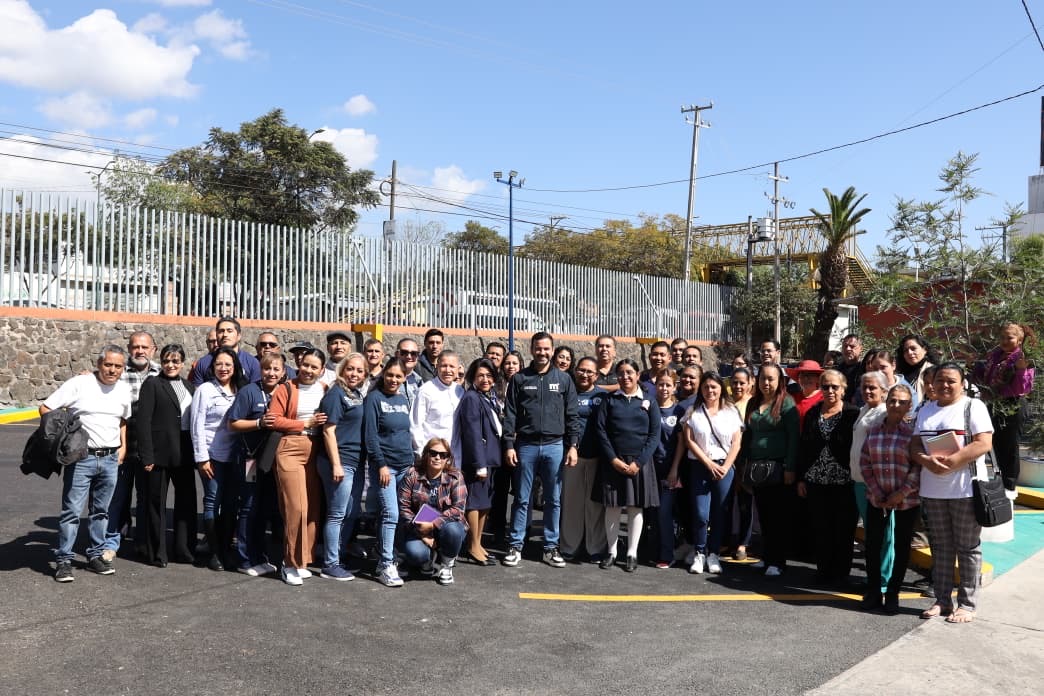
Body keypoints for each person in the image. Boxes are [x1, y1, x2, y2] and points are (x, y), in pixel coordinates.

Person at [42, 345, 134, 582]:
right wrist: (63, 436)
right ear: (98, 362)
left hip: (111, 459)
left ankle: (95, 556)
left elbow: (123, 420)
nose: (112, 370)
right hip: (82, 458)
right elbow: (46, 408)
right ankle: (63, 560)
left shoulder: (124, 390)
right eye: (108, 364)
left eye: (117, 366)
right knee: (72, 512)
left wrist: (123, 447)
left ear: (123, 368)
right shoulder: (79, 384)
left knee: (101, 512)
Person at [911, 363, 993, 623]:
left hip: (964, 490)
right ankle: (942, 600)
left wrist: (954, 460)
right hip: (932, 489)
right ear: (932, 383)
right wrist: (925, 460)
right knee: (941, 547)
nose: (945, 385)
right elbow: (914, 445)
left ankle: (967, 604)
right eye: (940, 380)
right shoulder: (925, 409)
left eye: (951, 381)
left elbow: (984, 442)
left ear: (962, 383)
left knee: (967, 548)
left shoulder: (972, 407)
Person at [501, 332, 581, 569]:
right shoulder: (519, 379)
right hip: (525, 445)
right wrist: (508, 445)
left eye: (546, 349)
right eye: (538, 348)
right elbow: (511, 414)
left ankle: (550, 547)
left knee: (553, 500)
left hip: (555, 445)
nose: (542, 353)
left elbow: (572, 415)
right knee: (522, 499)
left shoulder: (565, 380)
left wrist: (573, 446)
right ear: (531, 349)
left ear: (552, 350)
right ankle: (516, 545)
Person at [267, 347, 328, 586]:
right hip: (290, 447)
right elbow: (274, 419)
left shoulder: (324, 389)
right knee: (296, 508)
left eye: (314, 367)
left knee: (312, 508)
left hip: (315, 449)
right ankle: (288, 562)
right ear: (298, 364)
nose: (308, 370)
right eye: (305, 365)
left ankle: (303, 560)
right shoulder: (286, 388)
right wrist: (305, 422)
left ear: (322, 370)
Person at [672, 372, 742, 575]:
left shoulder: (731, 412)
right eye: (706, 387)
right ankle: (699, 552)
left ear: (721, 388)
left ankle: (713, 555)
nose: (710, 391)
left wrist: (726, 466)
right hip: (699, 467)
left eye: (714, 387)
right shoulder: (693, 411)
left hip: (724, 468)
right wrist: (708, 463)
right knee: (701, 514)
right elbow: (689, 441)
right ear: (701, 390)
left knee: (719, 514)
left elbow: (737, 442)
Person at [594, 358, 660, 572]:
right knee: (612, 507)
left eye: (629, 372)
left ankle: (632, 553)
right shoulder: (610, 400)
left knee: (635, 507)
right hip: (613, 461)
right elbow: (601, 431)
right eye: (621, 373)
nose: (625, 377)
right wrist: (613, 459)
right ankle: (612, 552)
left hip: (640, 462)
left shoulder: (649, 400)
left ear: (638, 375)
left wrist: (639, 462)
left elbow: (654, 434)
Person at [860, 384, 920, 614]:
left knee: (902, 546)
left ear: (909, 406)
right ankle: (874, 590)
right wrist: (876, 490)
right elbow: (865, 462)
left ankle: (893, 592)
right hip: (877, 498)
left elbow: (917, 468)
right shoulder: (873, 430)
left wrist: (900, 493)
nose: (896, 405)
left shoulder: (913, 434)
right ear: (886, 402)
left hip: (906, 500)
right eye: (892, 400)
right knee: (873, 545)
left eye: (902, 402)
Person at [796, 369, 860, 587]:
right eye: (825, 386)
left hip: (844, 481)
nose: (830, 390)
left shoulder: (853, 413)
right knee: (821, 529)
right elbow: (804, 446)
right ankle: (823, 571)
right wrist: (802, 478)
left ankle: (841, 574)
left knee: (843, 530)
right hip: (816, 480)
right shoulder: (814, 412)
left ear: (843, 389)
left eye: (835, 387)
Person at [136, 344, 197, 567]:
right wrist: (147, 456)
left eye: (175, 361)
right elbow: (143, 422)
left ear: (182, 363)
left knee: (186, 505)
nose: (171, 365)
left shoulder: (190, 386)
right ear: (161, 362)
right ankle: (157, 552)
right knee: (155, 505)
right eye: (166, 361)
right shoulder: (152, 384)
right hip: (158, 457)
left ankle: (184, 550)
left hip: (184, 455)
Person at [226, 352, 286, 577]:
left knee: (266, 508)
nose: (271, 373)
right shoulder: (249, 391)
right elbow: (233, 424)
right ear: (260, 370)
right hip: (250, 458)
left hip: (272, 459)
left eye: (276, 369)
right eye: (267, 369)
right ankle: (244, 558)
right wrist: (259, 422)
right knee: (249, 506)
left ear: (282, 372)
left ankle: (260, 556)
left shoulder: (284, 391)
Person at [102, 330, 159, 562]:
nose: (140, 351)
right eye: (136, 347)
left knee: (146, 497)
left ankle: (142, 542)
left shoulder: (161, 372)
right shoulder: (118, 373)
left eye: (145, 347)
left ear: (153, 349)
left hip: (149, 445)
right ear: (129, 348)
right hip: (122, 441)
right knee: (116, 495)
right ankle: (110, 543)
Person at [740, 363, 798, 577]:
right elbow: (748, 436)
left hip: (778, 468)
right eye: (763, 378)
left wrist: (790, 467)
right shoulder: (753, 403)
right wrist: (743, 463)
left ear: (780, 381)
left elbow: (793, 438)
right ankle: (766, 557)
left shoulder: (787, 403)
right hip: (757, 468)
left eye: (771, 378)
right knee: (763, 515)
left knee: (777, 517)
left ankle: (778, 561)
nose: (767, 383)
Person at [314, 353, 368, 581]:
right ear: (342, 369)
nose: (354, 374)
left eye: (359, 371)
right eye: (350, 369)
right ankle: (330, 563)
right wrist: (336, 464)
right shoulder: (336, 394)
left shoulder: (355, 394)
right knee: (336, 514)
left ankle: (338, 555)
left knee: (350, 512)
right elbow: (328, 430)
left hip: (355, 462)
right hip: (339, 461)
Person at [190, 346, 243, 571]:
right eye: (219, 364)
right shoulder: (204, 389)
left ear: (234, 367)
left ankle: (225, 547)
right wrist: (202, 458)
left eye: (228, 365)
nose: (223, 368)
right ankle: (214, 552)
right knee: (212, 501)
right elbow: (197, 425)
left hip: (236, 456)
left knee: (231, 504)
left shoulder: (241, 389)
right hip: (212, 455)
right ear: (212, 367)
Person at [363, 359, 415, 587]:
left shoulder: (403, 400)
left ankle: (390, 554)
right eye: (390, 375)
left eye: (398, 376)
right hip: (386, 468)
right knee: (390, 514)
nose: (394, 380)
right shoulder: (374, 399)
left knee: (402, 515)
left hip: (405, 465)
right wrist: (381, 464)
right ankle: (386, 564)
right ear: (383, 375)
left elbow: (405, 433)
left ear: (404, 378)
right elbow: (371, 436)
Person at [972, 322, 1035, 491]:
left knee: (1009, 447)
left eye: (1010, 337)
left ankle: (1009, 487)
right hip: (994, 403)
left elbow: (1023, 388)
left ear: (1020, 340)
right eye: (1002, 337)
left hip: (1012, 405)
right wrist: (974, 365)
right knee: (996, 444)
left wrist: (1021, 370)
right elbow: (983, 379)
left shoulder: (1021, 358)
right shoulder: (994, 356)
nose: (1005, 341)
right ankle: (999, 482)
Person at [398, 438, 468, 585]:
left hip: (447, 527)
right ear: (426, 454)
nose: (437, 457)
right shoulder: (412, 474)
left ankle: (446, 564)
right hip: (419, 527)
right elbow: (403, 507)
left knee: (454, 530)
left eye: (443, 455)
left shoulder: (456, 477)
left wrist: (433, 525)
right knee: (415, 554)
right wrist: (422, 533)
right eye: (433, 453)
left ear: (448, 459)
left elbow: (458, 509)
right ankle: (428, 558)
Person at [453, 359, 503, 565]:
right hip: (477, 461)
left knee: (485, 504)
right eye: (481, 375)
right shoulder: (472, 398)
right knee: (474, 503)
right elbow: (473, 433)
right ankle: (472, 545)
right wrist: (479, 464)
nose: (485, 379)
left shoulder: (487, 397)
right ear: (473, 376)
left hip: (490, 458)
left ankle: (478, 542)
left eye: (489, 376)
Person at [560, 357, 608, 562]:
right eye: (581, 370)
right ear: (575, 371)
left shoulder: (603, 396)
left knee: (595, 505)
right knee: (571, 504)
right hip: (572, 457)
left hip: (597, 457)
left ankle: (595, 547)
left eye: (590, 372)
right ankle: (569, 546)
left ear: (596, 375)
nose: (585, 374)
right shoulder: (566, 394)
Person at [653, 371, 685, 568]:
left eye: (668, 385)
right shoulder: (648, 406)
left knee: (665, 513)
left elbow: (682, 443)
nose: (664, 388)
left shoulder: (678, 411)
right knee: (652, 513)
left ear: (674, 387)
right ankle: (653, 549)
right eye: (660, 384)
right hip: (650, 469)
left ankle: (667, 553)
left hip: (671, 470)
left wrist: (674, 469)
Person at [725, 366, 755, 560]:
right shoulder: (725, 403)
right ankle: (727, 540)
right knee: (725, 503)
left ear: (750, 383)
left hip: (745, 460)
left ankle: (744, 543)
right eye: (734, 382)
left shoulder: (753, 404)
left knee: (745, 504)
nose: (738, 386)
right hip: (725, 459)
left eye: (742, 383)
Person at [411, 351, 464, 455]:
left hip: (455, 454)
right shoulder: (426, 390)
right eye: (444, 366)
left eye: (452, 366)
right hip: (432, 454)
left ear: (458, 369)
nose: (448, 370)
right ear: (437, 367)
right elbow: (416, 425)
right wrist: (421, 452)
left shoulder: (460, 391)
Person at [189, 316, 261, 387]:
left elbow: (255, 394)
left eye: (229, 331)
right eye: (221, 331)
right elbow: (197, 392)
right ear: (217, 336)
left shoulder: (252, 363)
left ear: (238, 336)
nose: (225, 335)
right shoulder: (203, 363)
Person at [896, 335, 939, 404]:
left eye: (913, 348)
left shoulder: (934, 372)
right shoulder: (901, 375)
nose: (909, 352)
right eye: (906, 350)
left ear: (924, 350)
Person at [788, 360, 824, 428]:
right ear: (798, 379)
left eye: (810, 375)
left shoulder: (824, 398)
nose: (806, 378)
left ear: (818, 378)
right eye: (803, 375)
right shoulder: (791, 398)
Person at [395, 338, 425, 407]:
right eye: (404, 352)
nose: (409, 357)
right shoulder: (386, 380)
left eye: (413, 353)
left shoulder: (419, 382)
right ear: (397, 354)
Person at [837, 334, 864, 403]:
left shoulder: (864, 368)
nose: (848, 349)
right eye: (845, 346)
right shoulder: (836, 371)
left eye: (852, 346)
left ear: (861, 349)